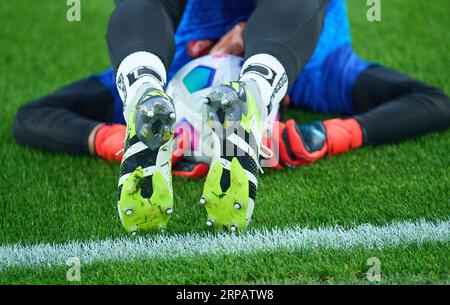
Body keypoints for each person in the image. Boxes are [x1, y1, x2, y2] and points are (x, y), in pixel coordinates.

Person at [13, 0, 450, 234]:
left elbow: (34, 117)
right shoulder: (323, 70)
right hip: (288, 52)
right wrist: (323, 136)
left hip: (178, 60)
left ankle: (141, 88)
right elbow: (431, 101)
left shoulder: (181, 62)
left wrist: (117, 139)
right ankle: (257, 88)